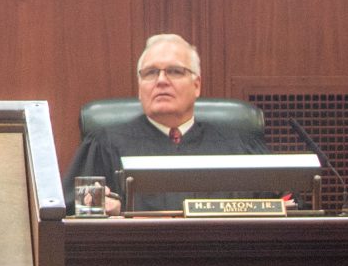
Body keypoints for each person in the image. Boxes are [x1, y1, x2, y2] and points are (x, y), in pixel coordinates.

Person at [65, 32, 261, 211]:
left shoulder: (237, 145)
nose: (161, 81)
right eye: (150, 73)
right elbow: (74, 209)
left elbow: (273, 206)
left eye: (175, 71)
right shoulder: (104, 144)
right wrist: (109, 210)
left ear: (196, 85)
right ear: (140, 88)